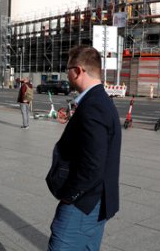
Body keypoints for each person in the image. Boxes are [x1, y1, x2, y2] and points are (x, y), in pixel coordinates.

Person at [46, 46, 122, 250]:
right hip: (97, 201)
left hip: (83, 204)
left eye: (67, 69)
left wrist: (70, 196)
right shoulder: (101, 100)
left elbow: (93, 165)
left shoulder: (93, 106)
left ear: (78, 71)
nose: (66, 73)